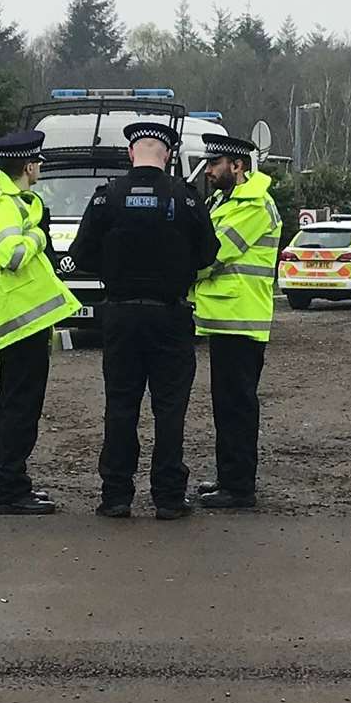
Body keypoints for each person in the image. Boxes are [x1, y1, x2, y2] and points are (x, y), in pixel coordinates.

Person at [69, 121, 219, 520]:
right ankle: (169, 497)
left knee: (120, 404)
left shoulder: (108, 198)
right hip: (170, 315)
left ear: (131, 154)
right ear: (167, 155)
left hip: (120, 313)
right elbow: (208, 253)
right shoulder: (185, 199)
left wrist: (114, 271)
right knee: (170, 408)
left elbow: (81, 254)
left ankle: (116, 495)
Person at [0, 130, 81, 515]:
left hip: (24, 323)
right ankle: (11, 490)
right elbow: (13, 256)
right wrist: (37, 234)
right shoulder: (3, 207)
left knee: (22, 407)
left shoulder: (19, 204)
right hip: (14, 323)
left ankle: (16, 485)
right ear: (29, 165)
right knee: (18, 408)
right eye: (38, 163)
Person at [191, 133, 283, 510]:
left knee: (238, 404)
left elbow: (213, 255)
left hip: (241, 318)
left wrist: (175, 272)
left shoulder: (254, 204)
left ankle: (240, 487)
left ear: (238, 166)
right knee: (226, 403)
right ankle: (229, 477)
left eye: (214, 164)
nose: (208, 171)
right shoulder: (227, 200)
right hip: (226, 317)